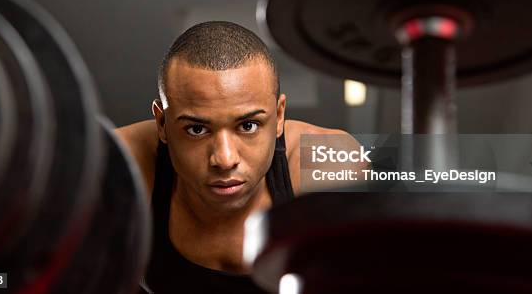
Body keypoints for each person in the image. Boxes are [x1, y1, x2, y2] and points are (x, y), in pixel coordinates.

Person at [116, 21, 361, 293]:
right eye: (197, 129)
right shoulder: (120, 162)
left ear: (279, 115)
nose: (224, 158)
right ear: (162, 123)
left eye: (247, 126)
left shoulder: (330, 158)